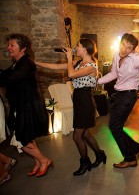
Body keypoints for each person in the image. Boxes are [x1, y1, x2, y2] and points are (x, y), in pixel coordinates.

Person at [35, 38, 106, 176]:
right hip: (79, 101)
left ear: (85, 48)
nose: (75, 48)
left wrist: (68, 57)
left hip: (85, 101)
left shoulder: (91, 65)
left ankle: (85, 162)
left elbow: (71, 74)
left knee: (77, 137)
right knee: (85, 133)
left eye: (77, 46)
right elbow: (57, 67)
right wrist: (35, 63)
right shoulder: (79, 62)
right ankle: (100, 154)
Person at [97, 33, 139, 168]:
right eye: (123, 44)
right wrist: (97, 81)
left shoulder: (136, 58)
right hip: (119, 95)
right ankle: (135, 148)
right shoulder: (116, 55)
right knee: (116, 127)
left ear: (133, 49)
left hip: (128, 96)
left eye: (129, 47)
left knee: (114, 127)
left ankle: (130, 158)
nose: (124, 49)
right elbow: (113, 73)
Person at [0, 33, 52, 177]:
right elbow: (5, 74)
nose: (8, 48)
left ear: (22, 48)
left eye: (12, 45)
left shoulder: (26, 63)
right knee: (27, 137)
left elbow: (10, 79)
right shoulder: (18, 63)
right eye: (8, 45)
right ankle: (38, 161)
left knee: (23, 139)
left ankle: (44, 160)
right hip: (22, 106)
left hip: (28, 107)